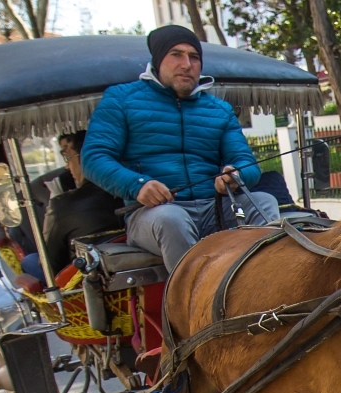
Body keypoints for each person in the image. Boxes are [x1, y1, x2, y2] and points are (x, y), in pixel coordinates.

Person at [81, 25, 278, 270]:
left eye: (194, 57)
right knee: (171, 218)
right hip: (153, 214)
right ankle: (192, 305)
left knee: (264, 202)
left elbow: (246, 163)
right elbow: (93, 157)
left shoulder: (220, 110)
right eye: (176, 55)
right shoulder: (121, 99)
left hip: (214, 209)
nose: (186, 64)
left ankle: (264, 286)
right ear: (158, 60)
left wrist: (236, 174)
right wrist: (137, 184)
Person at [19, 131, 122, 282]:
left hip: (83, 287)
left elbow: (50, 265)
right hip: (135, 273)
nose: (67, 166)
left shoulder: (61, 205)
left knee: (29, 260)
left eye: (68, 157)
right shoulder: (137, 192)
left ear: (86, 157)